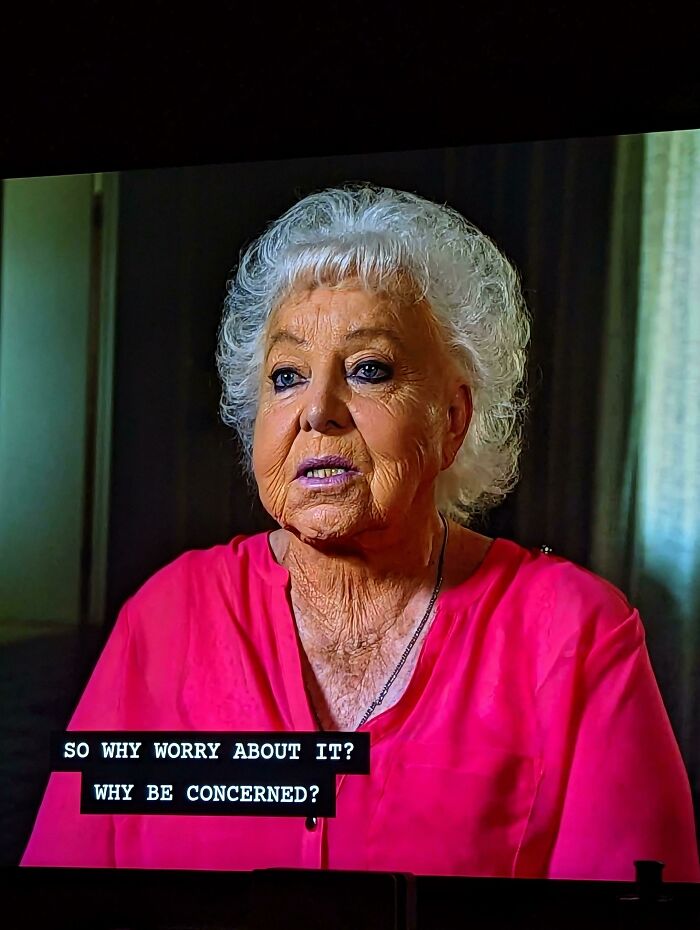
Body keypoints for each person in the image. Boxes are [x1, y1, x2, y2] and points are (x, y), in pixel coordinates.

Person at [21, 184, 700, 880]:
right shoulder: (165, 619)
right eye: (286, 376)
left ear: (452, 419)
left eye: (369, 370)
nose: (317, 409)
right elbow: (59, 898)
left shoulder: (576, 637)